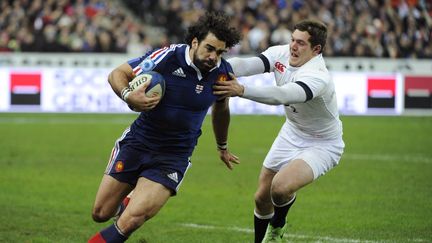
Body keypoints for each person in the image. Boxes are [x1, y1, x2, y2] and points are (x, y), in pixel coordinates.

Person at [88, 11, 241, 243]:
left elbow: (221, 110)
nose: (214, 56)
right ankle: (130, 198)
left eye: (220, 52)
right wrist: (129, 95)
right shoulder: (168, 57)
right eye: (209, 48)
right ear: (195, 42)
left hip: (174, 155)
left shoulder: (222, 74)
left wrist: (222, 146)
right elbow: (118, 74)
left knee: (131, 220)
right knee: (100, 213)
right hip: (138, 143)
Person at [213, 19, 345, 243]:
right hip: (292, 132)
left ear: (316, 49)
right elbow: (247, 65)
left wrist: (241, 90)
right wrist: (215, 65)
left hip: (322, 143)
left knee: (280, 188)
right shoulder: (281, 53)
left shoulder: (318, 76)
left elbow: (282, 95)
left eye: (301, 43)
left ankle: (277, 228)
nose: (293, 46)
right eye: (293, 40)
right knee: (261, 198)